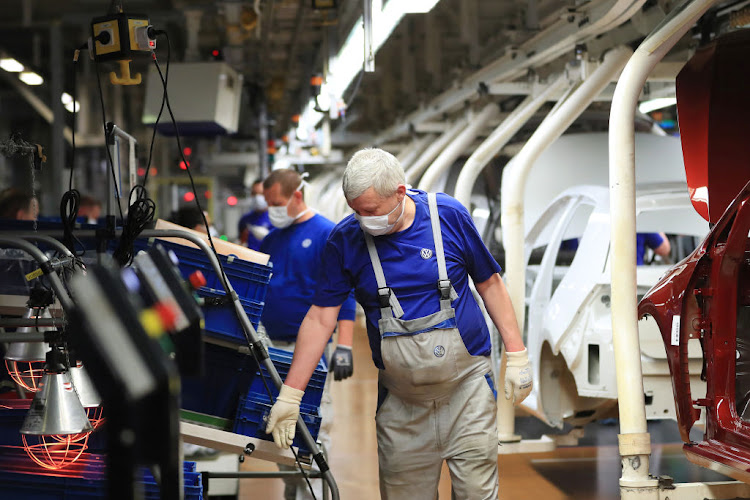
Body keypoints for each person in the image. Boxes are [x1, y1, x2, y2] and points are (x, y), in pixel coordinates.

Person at [265, 149, 532, 499]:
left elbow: (489, 283)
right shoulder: (345, 240)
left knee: (476, 494)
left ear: (400, 193)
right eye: (355, 211)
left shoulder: (447, 216)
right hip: (402, 403)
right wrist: (291, 394)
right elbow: (319, 317)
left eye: (371, 211)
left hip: (466, 392)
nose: (362, 220)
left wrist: (517, 354)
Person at [259, 168, 357, 500]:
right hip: (271, 349)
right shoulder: (271, 238)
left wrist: (344, 345)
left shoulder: (326, 234)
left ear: (297, 196)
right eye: (268, 203)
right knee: (281, 425)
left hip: (311, 351)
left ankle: (317, 494)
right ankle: (294, 492)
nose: (272, 209)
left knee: (314, 425)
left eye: (277, 202)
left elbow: (344, 293)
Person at [238, 179, 272, 250]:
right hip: (250, 258)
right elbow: (241, 241)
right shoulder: (245, 220)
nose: (257, 197)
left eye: (261, 193)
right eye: (254, 193)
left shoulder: (276, 219)